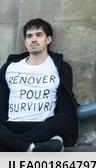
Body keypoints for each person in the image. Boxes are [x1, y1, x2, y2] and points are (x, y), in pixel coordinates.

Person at [0, 18, 78, 152]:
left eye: (39, 35)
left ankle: (13, 145)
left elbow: (66, 103)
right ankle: (32, 147)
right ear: (25, 42)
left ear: (48, 40)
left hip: (43, 125)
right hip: (12, 124)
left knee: (64, 119)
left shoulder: (60, 67)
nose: (33, 39)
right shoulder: (10, 67)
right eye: (29, 36)